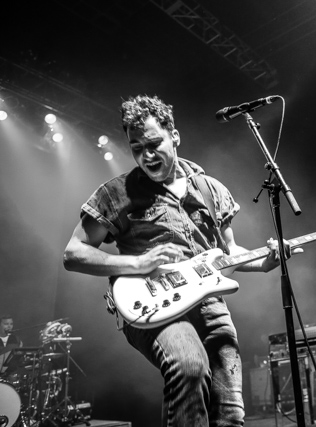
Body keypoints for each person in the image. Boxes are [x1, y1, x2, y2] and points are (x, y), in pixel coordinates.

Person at [63, 95, 299, 427]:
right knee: (189, 366)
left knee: (230, 411)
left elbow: (228, 252)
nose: (146, 155)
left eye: (153, 144)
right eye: (136, 148)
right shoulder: (117, 192)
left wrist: (265, 261)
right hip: (150, 302)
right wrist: (138, 263)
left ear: (174, 136)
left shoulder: (211, 189)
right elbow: (74, 253)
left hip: (209, 304)